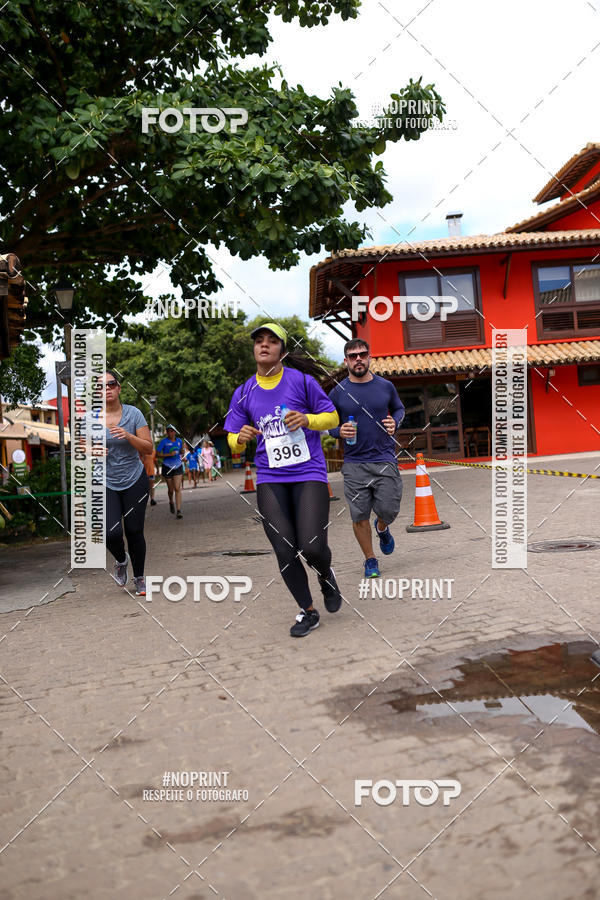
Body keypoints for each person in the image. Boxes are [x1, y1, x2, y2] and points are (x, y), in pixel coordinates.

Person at [224, 322, 342, 637]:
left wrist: (307, 419)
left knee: (313, 546)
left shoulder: (301, 382)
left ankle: (326, 575)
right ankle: (308, 611)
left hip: (308, 473)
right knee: (285, 550)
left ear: (282, 351)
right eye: (259, 341)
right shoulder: (244, 391)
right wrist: (241, 438)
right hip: (270, 478)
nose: (264, 345)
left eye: (272, 341)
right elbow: (231, 438)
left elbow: (332, 417)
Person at [328, 338, 405, 579]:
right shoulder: (338, 392)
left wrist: (396, 421)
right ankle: (370, 560)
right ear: (346, 361)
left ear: (370, 357)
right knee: (359, 514)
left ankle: (382, 527)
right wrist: (337, 431)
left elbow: (399, 409)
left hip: (384, 459)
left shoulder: (386, 386)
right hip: (354, 464)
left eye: (363, 354)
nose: (358, 359)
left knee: (390, 509)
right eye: (353, 356)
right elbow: (326, 423)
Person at [95, 370, 153, 595]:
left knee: (134, 530)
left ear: (119, 388)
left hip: (134, 480)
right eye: (102, 386)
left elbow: (148, 448)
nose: (107, 388)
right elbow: (80, 448)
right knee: (110, 533)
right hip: (105, 482)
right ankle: (121, 559)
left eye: (111, 384)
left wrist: (128, 436)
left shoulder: (134, 414)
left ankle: (139, 578)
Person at [156, 425, 184, 518]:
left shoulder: (179, 441)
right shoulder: (163, 442)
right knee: (171, 490)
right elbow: (157, 454)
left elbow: (181, 451)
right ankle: (171, 502)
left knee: (177, 488)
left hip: (178, 466)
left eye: (172, 431)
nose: (170, 433)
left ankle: (179, 510)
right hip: (167, 467)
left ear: (175, 432)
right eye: (168, 431)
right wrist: (168, 454)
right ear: (167, 432)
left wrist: (182, 451)